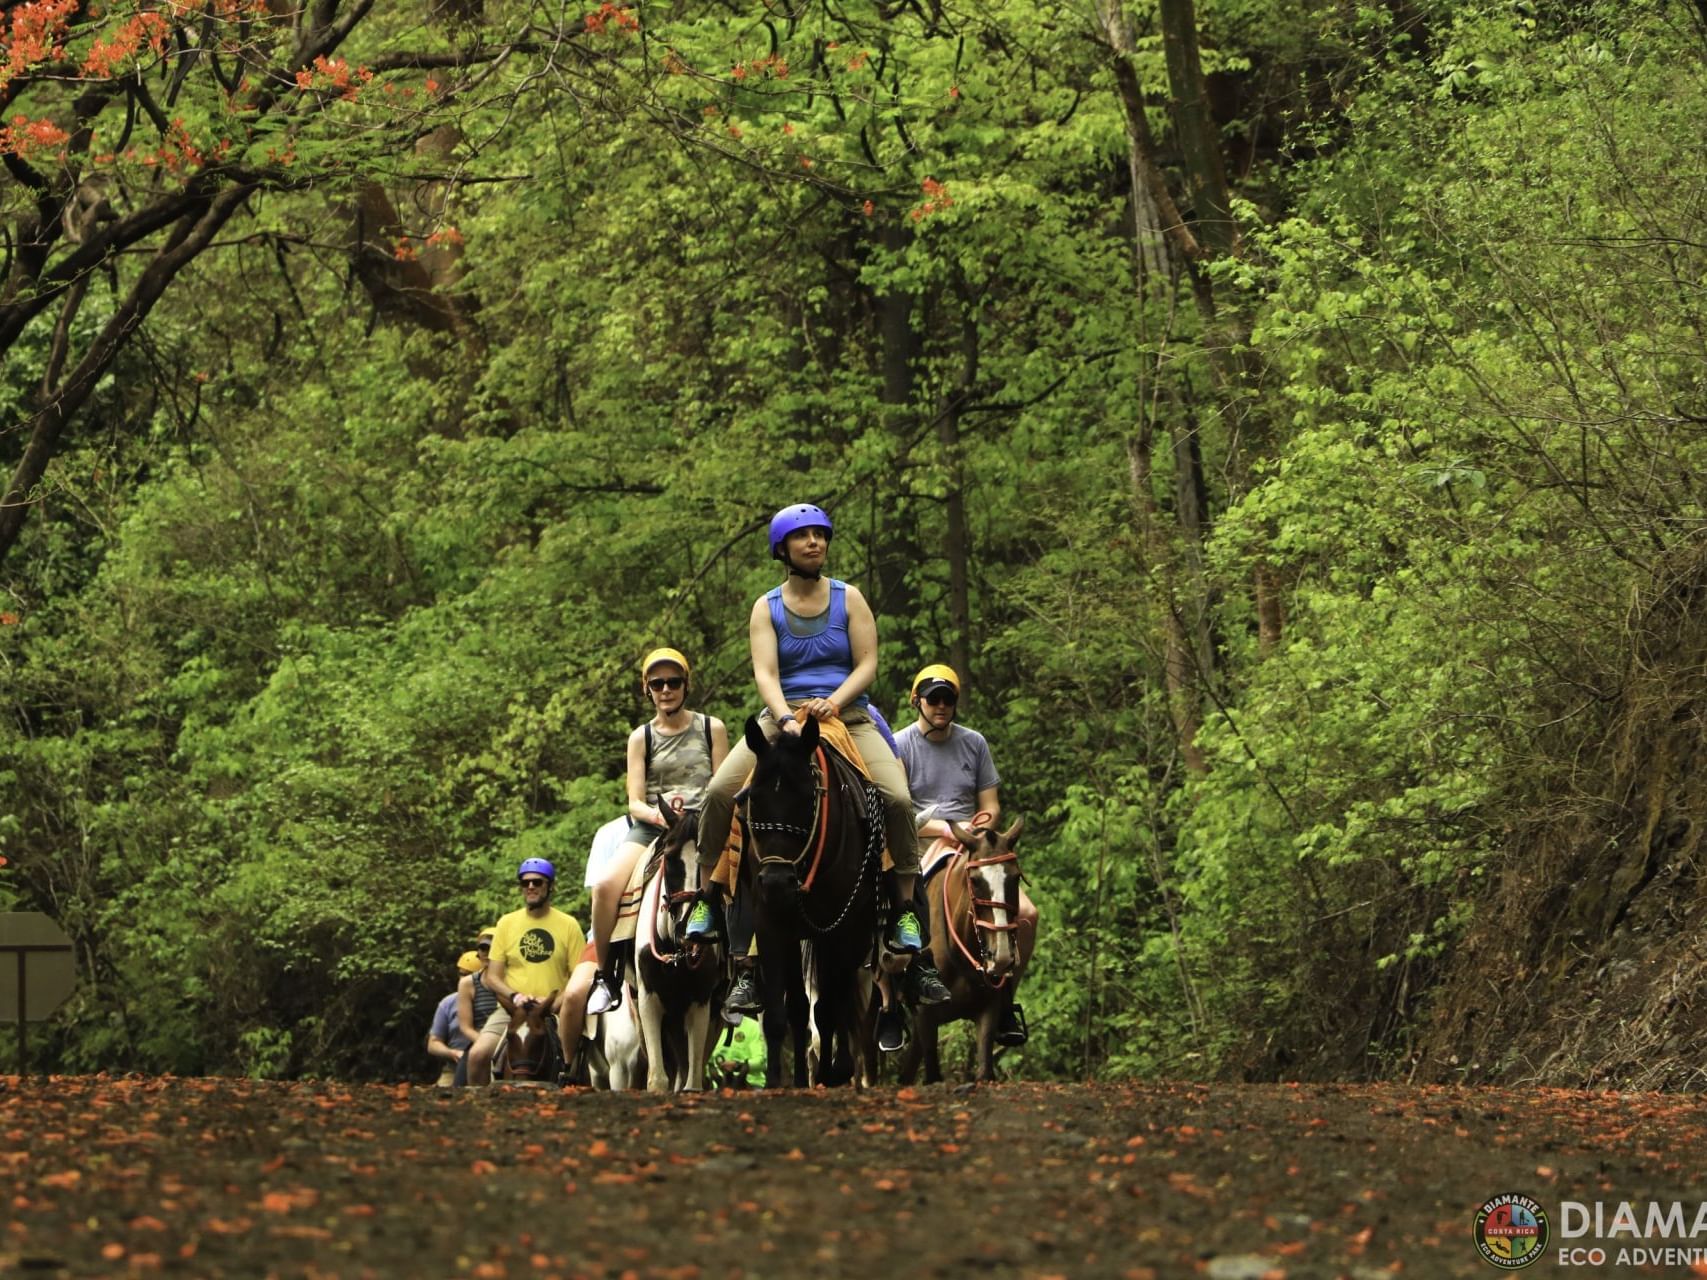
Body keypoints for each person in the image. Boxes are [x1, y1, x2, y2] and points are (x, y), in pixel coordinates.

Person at [687, 502, 949, 1010]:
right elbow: (766, 673)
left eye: (820, 535)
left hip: (847, 717)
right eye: (803, 536)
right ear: (782, 549)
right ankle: (707, 900)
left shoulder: (849, 598)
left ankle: (904, 914)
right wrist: (785, 717)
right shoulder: (767, 607)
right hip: (782, 719)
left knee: (896, 797)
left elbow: (869, 661)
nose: (815, 543)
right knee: (720, 791)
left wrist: (840, 698)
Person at [894, 663, 1038, 1044]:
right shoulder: (900, 744)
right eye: (933, 698)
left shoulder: (974, 742)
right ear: (917, 701)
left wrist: (980, 824)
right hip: (922, 838)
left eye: (948, 699)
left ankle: (1005, 1000)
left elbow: (991, 804)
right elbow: (899, 809)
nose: (941, 706)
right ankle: (889, 1006)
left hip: (973, 840)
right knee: (891, 915)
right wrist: (943, 828)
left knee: (1027, 913)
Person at [585, 648, 729, 1016]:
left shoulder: (712, 728)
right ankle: (606, 975)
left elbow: (724, 787)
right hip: (655, 828)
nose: (666, 690)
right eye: (658, 683)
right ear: (647, 689)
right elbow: (633, 799)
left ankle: (742, 973)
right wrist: (658, 816)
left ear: (686, 685)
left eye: (674, 682)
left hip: (703, 829)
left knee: (748, 882)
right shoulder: (641, 738)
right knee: (604, 888)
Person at [466, 858, 588, 1085]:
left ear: (550, 886)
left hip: (552, 1010)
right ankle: (478, 1109)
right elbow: (493, 976)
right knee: (478, 1055)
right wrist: (515, 996)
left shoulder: (569, 925)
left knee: (583, 1060)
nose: (530, 887)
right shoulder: (506, 923)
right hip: (513, 1010)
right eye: (525, 883)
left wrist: (556, 1002)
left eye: (537, 882)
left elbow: (578, 976)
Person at [427, 947, 483, 1085]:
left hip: (486, 1066)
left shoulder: (493, 1000)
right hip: (454, 1068)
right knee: (444, 1094)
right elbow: (433, 1043)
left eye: (468, 975)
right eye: (461, 974)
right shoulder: (448, 1003)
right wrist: (453, 1053)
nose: (463, 979)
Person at [451, 926, 500, 1085]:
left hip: (509, 1038)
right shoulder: (468, 983)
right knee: (460, 1083)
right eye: (483, 948)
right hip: (479, 1038)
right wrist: (485, 1043)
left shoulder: (513, 980)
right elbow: (465, 1027)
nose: (486, 953)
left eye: (491, 948)